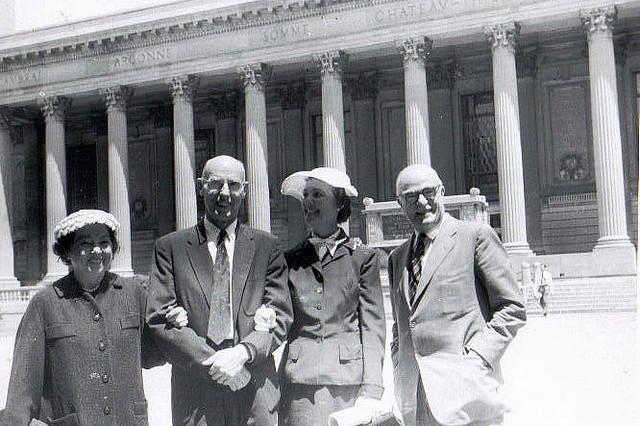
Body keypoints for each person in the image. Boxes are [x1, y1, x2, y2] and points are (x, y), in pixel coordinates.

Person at [0, 209, 187, 426]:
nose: (97, 250)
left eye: (104, 243)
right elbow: (22, 386)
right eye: (85, 244)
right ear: (68, 252)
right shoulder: (45, 303)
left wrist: (173, 323)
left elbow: (153, 354)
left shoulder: (134, 294)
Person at [145, 155, 292, 426]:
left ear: (245, 190)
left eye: (233, 185)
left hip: (254, 388)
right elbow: (159, 319)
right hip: (196, 394)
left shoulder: (266, 248)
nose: (224, 193)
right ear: (201, 187)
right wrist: (216, 364)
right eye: (215, 184)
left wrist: (242, 354)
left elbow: (280, 314)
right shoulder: (170, 248)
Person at [388, 164, 527, 426]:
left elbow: (512, 307)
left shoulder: (475, 237)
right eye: (410, 196)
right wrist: (399, 364)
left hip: (467, 395)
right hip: (416, 398)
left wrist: (478, 359)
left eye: (428, 192)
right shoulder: (397, 258)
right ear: (400, 203)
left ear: (442, 192)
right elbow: (401, 324)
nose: (421, 202)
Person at [279, 167, 387, 426]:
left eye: (318, 194)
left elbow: (372, 328)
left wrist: (372, 389)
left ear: (339, 204)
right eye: (306, 195)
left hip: (346, 384)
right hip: (298, 385)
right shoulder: (289, 260)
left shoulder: (362, 259)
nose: (308, 201)